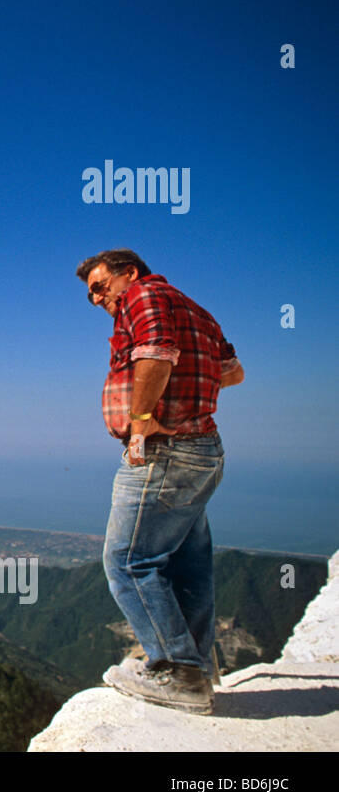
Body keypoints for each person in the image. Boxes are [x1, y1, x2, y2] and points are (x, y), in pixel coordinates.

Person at [76, 249, 244, 714]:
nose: (95, 298)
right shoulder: (196, 310)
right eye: (90, 292)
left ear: (128, 273)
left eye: (99, 284)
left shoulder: (142, 296)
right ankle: (198, 668)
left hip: (164, 455)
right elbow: (234, 372)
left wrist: (143, 418)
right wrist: (195, 391)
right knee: (188, 562)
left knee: (127, 561)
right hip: (204, 450)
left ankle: (179, 673)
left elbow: (155, 353)